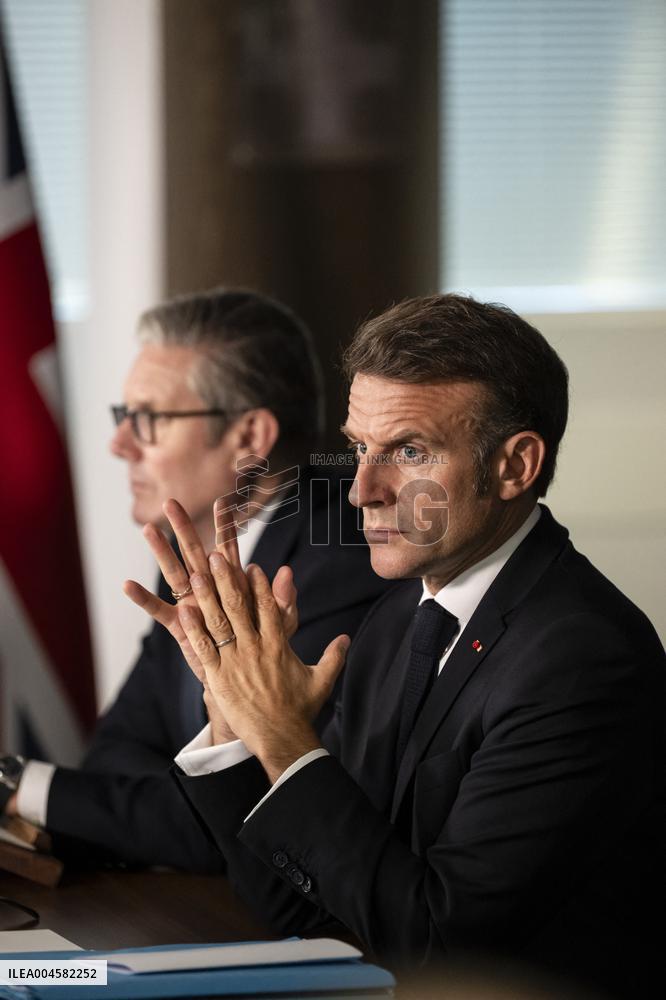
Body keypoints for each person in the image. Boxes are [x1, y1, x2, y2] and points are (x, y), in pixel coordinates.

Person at [161, 294, 664, 997]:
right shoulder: (399, 615)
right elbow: (303, 912)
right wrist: (234, 717)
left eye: (410, 451)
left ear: (514, 466)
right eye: (360, 448)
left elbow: (439, 945)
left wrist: (282, 738)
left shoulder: (584, 657)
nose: (362, 488)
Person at [0, 288, 391, 870]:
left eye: (149, 420)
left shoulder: (339, 560)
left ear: (250, 438)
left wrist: (14, 785)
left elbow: (246, 818)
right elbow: (116, 752)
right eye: (123, 416)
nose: (119, 443)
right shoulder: (196, 550)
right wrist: (173, 802)